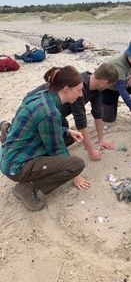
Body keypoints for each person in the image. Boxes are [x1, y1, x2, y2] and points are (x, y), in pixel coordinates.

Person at [0, 66, 91, 212]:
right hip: (15, 167)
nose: (81, 95)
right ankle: (27, 187)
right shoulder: (49, 111)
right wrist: (76, 176)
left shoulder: (43, 95)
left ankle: (6, 133)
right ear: (66, 89)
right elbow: (57, 150)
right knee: (75, 165)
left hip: (10, 154)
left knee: (68, 137)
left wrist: (67, 131)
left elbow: (44, 128)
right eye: (78, 90)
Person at [23, 63, 119, 184]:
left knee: (69, 136)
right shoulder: (78, 87)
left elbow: (98, 113)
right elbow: (81, 123)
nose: (80, 94)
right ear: (105, 82)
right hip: (38, 111)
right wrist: (90, 153)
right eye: (109, 85)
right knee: (55, 144)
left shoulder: (94, 86)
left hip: (56, 113)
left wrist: (101, 140)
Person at [101, 38, 131, 123]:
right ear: (128, 54)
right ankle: (100, 103)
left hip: (127, 84)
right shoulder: (118, 63)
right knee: (108, 119)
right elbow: (122, 90)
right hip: (110, 88)